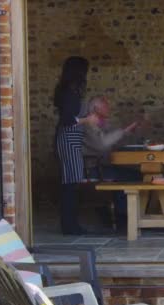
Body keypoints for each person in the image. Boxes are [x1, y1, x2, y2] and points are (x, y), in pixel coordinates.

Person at [53, 56, 99, 235]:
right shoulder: (71, 92)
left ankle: (70, 224)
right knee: (71, 183)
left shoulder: (64, 90)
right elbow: (67, 120)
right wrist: (88, 119)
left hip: (67, 139)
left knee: (69, 182)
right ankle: (71, 226)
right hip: (69, 139)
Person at [82, 96, 139, 229]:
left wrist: (128, 133)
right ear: (96, 109)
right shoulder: (89, 124)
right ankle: (124, 217)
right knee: (132, 177)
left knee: (130, 174)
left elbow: (114, 141)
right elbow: (103, 144)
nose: (109, 108)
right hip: (93, 169)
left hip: (103, 166)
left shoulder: (102, 123)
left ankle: (123, 215)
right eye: (106, 105)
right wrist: (123, 132)